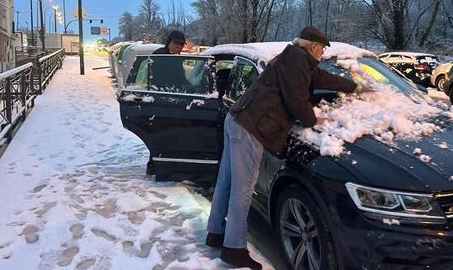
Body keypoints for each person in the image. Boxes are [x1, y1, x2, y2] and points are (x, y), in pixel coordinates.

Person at [205, 26, 371, 269]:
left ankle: (215, 233)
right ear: (313, 46)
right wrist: (314, 120)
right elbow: (297, 101)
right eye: (322, 49)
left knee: (226, 182)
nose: (323, 53)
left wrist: (353, 87)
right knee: (243, 190)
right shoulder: (296, 62)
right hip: (250, 128)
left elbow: (321, 78)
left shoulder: (295, 59)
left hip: (238, 120)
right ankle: (233, 248)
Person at [146, 30, 186, 176]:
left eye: (181, 44)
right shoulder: (160, 56)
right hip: (161, 102)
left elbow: (180, 79)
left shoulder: (176, 58)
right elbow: (155, 80)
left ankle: (167, 165)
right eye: (176, 43)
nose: (179, 47)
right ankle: (154, 166)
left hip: (174, 102)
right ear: (169, 41)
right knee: (160, 135)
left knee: (171, 135)